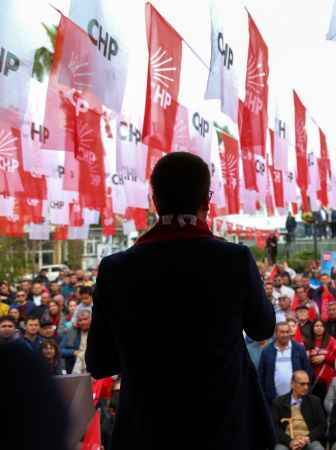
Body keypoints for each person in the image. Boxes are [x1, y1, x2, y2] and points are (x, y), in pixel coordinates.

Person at [85, 152, 277, 450]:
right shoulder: (233, 260)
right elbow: (263, 329)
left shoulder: (116, 269)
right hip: (224, 430)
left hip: (148, 432)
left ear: (154, 200)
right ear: (206, 202)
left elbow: (100, 362)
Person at [260, 322, 314, 404]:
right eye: (282, 332)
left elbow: (307, 371)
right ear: (276, 333)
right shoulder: (267, 351)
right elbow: (261, 376)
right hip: (273, 400)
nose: (285, 335)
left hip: (296, 399)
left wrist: (305, 392)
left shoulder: (299, 349)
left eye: (287, 332)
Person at [271, 370, 326, 450]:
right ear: (292, 384)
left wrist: (307, 438)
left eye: (307, 384)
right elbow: (274, 427)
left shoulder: (315, 401)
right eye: (302, 384)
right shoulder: (278, 402)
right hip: (287, 441)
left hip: (308, 440)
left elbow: (322, 425)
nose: (306, 387)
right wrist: (290, 441)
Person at [306, 320, 336, 401]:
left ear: (324, 328)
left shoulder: (332, 341)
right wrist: (310, 359)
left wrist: (324, 358)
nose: (319, 328)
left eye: (321, 326)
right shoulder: (307, 342)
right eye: (316, 326)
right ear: (312, 328)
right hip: (312, 379)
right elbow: (304, 359)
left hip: (327, 379)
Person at [60, 310, 90, 374]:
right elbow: (60, 350)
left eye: (85, 319)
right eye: (80, 320)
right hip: (75, 365)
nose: (83, 322)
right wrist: (74, 352)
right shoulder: (72, 332)